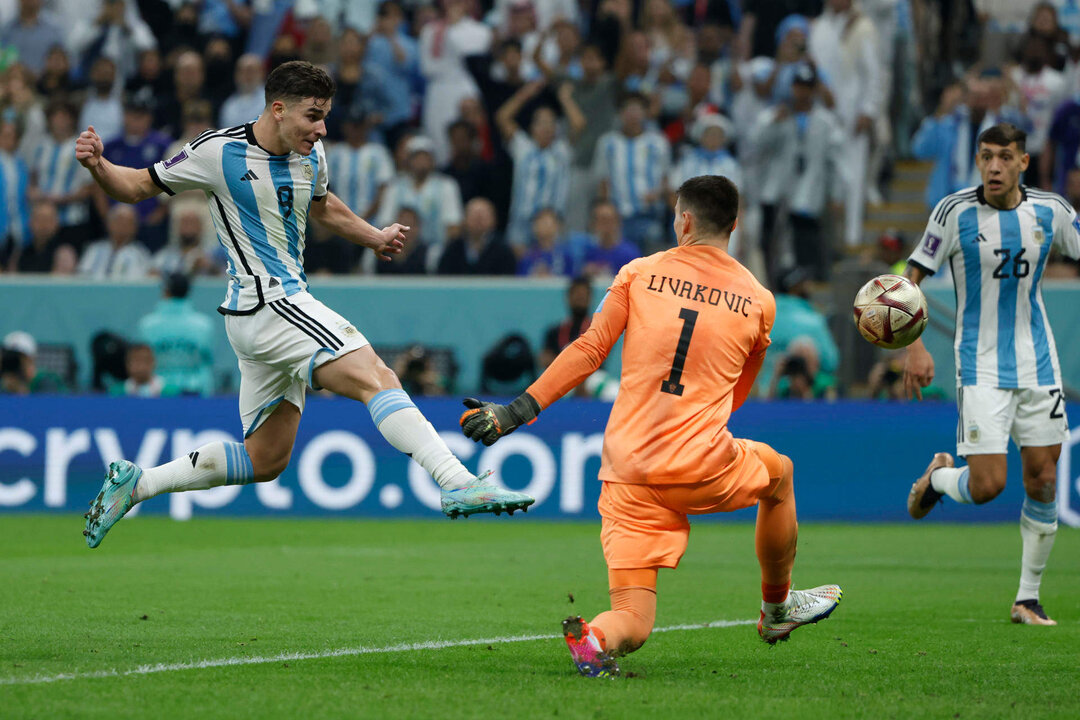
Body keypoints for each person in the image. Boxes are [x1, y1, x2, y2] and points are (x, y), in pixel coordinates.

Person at [76, 60, 534, 549]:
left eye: (325, 116)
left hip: (260, 318)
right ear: (278, 109)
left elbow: (322, 204)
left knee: (265, 459)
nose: (321, 128)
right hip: (270, 301)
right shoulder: (218, 151)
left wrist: (373, 236)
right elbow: (138, 185)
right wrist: (99, 165)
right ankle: (457, 482)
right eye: (313, 116)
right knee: (376, 377)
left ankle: (138, 484)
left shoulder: (310, 154)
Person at [460, 175, 842, 676]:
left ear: (683, 220)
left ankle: (596, 636)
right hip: (700, 462)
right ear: (735, 225)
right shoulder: (758, 300)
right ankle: (776, 610)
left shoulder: (638, 273)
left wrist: (516, 411)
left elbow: (589, 350)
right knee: (781, 474)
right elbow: (736, 396)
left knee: (634, 620)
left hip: (628, 470)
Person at [903, 123, 1079, 626]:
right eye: (986, 157)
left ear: (1025, 162)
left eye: (1005, 157)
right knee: (987, 487)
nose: (994, 166)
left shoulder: (1052, 211)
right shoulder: (953, 212)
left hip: (1039, 361)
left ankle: (1027, 598)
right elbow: (909, 278)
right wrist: (912, 345)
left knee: (1044, 478)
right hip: (979, 366)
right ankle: (939, 477)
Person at [137, 273, 216, 397]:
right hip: (196, 393)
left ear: (166, 292)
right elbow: (208, 362)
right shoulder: (204, 325)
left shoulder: (147, 325)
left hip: (158, 394)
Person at [78, 204, 151, 280]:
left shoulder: (141, 254)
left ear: (135, 228)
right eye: (119, 220)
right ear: (109, 224)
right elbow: (82, 277)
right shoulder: (94, 250)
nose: (123, 225)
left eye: (129, 222)